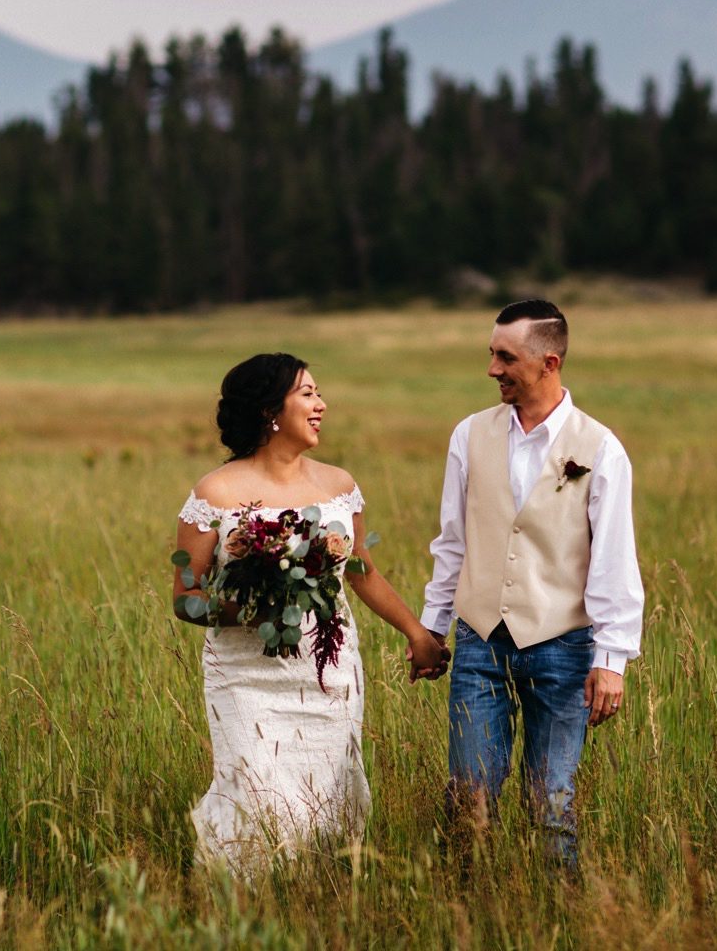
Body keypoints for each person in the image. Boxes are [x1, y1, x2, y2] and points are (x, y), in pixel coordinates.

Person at [173, 352, 449, 873]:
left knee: (326, 795)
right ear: (270, 410)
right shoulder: (215, 493)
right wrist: (250, 610)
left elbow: (362, 572)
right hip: (245, 674)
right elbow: (185, 598)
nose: (321, 404)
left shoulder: (339, 486)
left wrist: (417, 633)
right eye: (307, 394)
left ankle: (315, 893)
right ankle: (236, 898)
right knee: (256, 795)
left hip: (328, 668)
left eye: (319, 393)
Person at [420, 299, 644, 872]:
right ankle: (462, 916)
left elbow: (614, 560)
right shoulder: (469, 436)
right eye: (491, 354)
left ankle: (558, 919)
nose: (492, 369)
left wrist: (612, 658)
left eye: (505, 357)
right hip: (479, 642)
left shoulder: (601, 449)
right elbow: (453, 542)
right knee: (467, 801)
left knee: (551, 808)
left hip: (564, 647)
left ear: (550, 362)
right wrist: (431, 627)